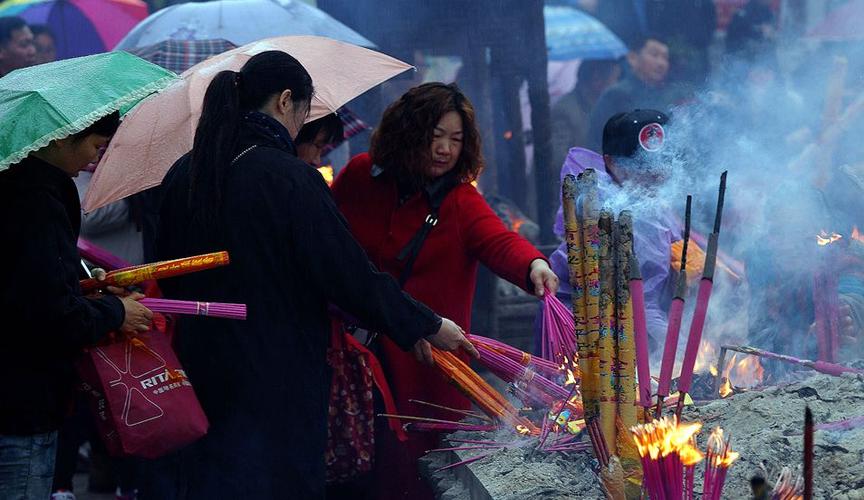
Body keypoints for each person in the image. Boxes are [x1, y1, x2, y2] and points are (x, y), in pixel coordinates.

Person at [149, 51, 474, 499]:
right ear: (286, 101)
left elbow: (166, 272)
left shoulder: (184, 173)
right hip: (277, 374)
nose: (304, 125)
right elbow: (347, 273)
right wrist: (428, 324)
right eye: (305, 111)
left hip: (201, 366)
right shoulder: (290, 178)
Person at [330, 82, 559, 500]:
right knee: (357, 467)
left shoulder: (457, 200)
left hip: (430, 366)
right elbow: (326, 247)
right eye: (436, 136)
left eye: (456, 140)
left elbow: (497, 239)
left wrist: (534, 265)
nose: (445, 149)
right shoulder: (359, 176)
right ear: (407, 130)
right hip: (357, 356)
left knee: (422, 475)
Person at [0, 112, 153, 500]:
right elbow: (50, 314)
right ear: (60, 138)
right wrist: (116, 312)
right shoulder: (35, 200)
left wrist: (82, 291)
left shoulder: (21, 188)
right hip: (21, 400)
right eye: (94, 146)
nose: (93, 159)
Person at [549, 110, 681, 354]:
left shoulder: (650, 201)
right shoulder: (606, 210)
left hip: (631, 330)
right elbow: (639, 300)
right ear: (611, 162)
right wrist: (679, 349)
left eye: (665, 162)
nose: (658, 174)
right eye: (643, 165)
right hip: (588, 337)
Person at [587, 35, 671, 150]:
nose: (661, 63)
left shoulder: (664, 95)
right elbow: (598, 141)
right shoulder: (616, 95)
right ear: (632, 58)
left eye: (665, 58)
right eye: (654, 55)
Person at [551, 59, 621, 169]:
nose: (617, 85)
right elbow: (559, 158)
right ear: (596, 80)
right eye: (615, 79)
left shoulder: (606, 107)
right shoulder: (565, 111)